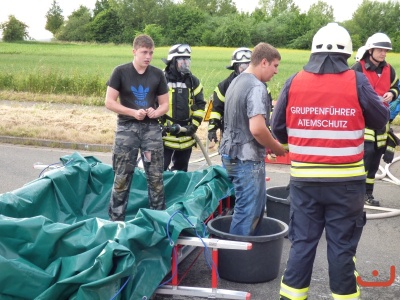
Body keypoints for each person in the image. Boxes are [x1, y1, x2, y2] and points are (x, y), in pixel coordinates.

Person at [271, 23, 389, 300]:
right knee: (341, 248)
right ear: (347, 53)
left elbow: (277, 128)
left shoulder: (294, 80)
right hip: (346, 184)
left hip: (304, 183)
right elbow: (381, 121)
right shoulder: (357, 80)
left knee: (301, 246)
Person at [219, 42, 286, 236]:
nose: (276, 72)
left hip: (229, 155)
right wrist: (275, 146)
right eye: (275, 65)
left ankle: (237, 256)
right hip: (246, 160)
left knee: (240, 207)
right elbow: (257, 129)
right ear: (263, 62)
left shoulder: (236, 81)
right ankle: (239, 260)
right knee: (248, 211)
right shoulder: (257, 87)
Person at [105, 34, 169, 221]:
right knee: (122, 177)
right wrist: (132, 112)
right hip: (127, 129)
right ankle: (116, 221)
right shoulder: (120, 72)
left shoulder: (157, 74)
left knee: (156, 178)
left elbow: (165, 104)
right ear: (134, 52)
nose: (148, 56)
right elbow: (109, 102)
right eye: (144, 52)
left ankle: (158, 220)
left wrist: (156, 112)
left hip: (151, 130)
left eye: (151, 53)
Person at [351, 32, 399, 206]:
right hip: (363, 120)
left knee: (375, 158)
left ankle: (368, 194)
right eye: (380, 50)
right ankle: (356, 194)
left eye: (386, 51)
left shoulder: (389, 69)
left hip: (382, 120)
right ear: (370, 50)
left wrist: (391, 94)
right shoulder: (358, 67)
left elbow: (396, 87)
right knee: (366, 154)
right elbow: (348, 89)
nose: (383, 53)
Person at [160, 44, 206, 172]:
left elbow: (200, 106)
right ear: (173, 62)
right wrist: (158, 127)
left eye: (187, 61)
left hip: (186, 136)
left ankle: (178, 192)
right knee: (159, 172)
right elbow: (152, 104)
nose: (185, 64)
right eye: (182, 61)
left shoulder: (193, 82)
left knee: (181, 173)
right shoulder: (161, 79)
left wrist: (194, 126)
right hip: (165, 137)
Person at [207, 47, 252, 144]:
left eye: (250, 66)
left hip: (253, 137)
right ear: (235, 67)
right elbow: (216, 109)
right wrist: (212, 128)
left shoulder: (260, 86)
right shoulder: (224, 86)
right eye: (243, 67)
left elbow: (268, 109)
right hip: (230, 137)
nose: (246, 71)